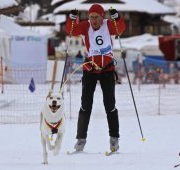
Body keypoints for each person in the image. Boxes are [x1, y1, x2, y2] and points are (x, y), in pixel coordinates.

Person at [66, 4, 126, 152]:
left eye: (96, 17)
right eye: (91, 17)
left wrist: (117, 17)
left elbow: (120, 29)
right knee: (85, 105)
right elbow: (71, 30)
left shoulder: (108, 25)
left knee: (109, 104)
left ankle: (114, 138)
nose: (93, 20)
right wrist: (72, 18)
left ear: (102, 16)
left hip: (107, 70)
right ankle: (81, 139)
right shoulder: (85, 26)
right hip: (90, 69)